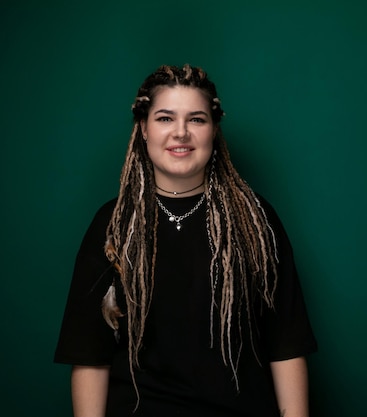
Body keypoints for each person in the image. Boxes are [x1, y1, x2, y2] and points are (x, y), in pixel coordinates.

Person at [54, 64, 317, 417]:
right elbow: (90, 353)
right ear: (143, 129)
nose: (181, 133)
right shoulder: (113, 225)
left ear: (214, 130)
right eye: (165, 118)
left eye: (196, 119)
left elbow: (286, 343)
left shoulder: (256, 220)